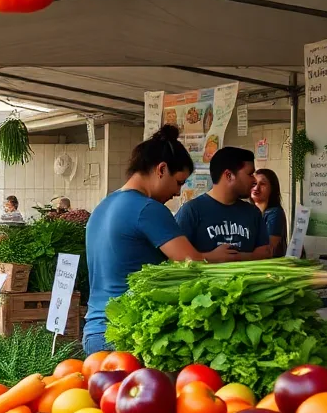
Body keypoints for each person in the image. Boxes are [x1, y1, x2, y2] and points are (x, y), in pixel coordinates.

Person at [85, 125, 240, 355]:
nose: (177, 193)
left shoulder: (103, 206)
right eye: (178, 182)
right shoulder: (148, 209)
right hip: (127, 336)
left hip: (95, 333)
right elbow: (193, 267)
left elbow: (133, 260)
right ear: (161, 169)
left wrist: (208, 256)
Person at [175, 146, 271, 259]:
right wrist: (210, 258)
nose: (254, 180)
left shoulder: (253, 212)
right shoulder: (191, 211)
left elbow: (265, 252)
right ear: (229, 175)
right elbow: (177, 257)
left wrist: (239, 258)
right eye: (250, 174)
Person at [252, 168, 288, 257]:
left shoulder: (274, 213)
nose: (256, 188)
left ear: (272, 188)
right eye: (254, 183)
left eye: (262, 184)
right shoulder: (249, 211)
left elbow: (269, 251)